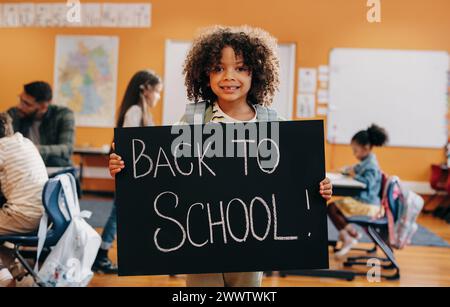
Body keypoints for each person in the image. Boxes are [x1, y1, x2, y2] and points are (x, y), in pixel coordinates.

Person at [108, 25, 333, 287]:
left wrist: (320, 188)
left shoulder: (274, 125)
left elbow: (294, 182)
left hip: (253, 245)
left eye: (240, 68)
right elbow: (166, 173)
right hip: (201, 242)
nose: (229, 76)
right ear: (205, 74)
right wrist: (126, 168)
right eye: (218, 68)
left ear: (256, 73)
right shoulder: (193, 120)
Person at [92, 70, 163, 274]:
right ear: (146, 89)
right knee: (118, 215)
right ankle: (102, 255)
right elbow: (131, 145)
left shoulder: (141, 111)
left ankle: (115, 254)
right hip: (130, 175)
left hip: (137, 175)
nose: (158, 97)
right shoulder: (134, 111)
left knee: (125, 214)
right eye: (157, 92)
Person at [0, 113, 48, 287]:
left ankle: (3, 278)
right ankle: (15, 272)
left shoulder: (1, 147)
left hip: (22, 216)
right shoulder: (25, 142)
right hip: (43, 217)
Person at [328, 124, 389, 259]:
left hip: (367, 204)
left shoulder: (371, 165)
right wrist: (348, 171)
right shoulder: (366, 161)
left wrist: (354, 174)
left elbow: (368, 183)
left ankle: (348, 236)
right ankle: (350, 233)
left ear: (365, 148)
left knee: (332, 208)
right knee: (334, 208)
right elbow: (356, 169)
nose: (354, 154)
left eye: (355, 150)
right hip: (364, 201)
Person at [7, 81, 75, 167]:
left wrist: (32, 149)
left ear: (43, 106)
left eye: (27, 104)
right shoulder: (14, 114)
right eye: (21, 99)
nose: (19, 106)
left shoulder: (63, 115)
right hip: (24, 168)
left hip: (53, 168)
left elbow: (67, 149)